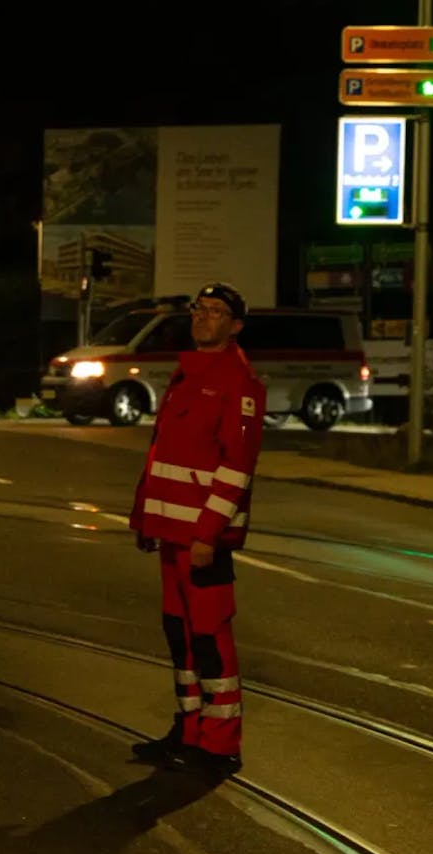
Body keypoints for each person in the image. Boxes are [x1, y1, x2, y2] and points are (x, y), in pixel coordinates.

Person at [128, 282, 266, 780]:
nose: (204, 316)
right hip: (171, 532)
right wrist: (145, 515)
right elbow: (161, 450)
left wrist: (209, 533)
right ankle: (187, 730)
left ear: (235, 326)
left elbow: (236, 468)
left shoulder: (238, 382)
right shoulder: (188, 372)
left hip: (203, 539)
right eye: (199, 309)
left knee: (209, 637)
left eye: (216, 311)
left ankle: (220, 742)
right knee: (180, 636)